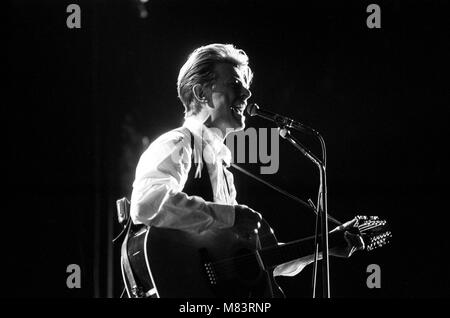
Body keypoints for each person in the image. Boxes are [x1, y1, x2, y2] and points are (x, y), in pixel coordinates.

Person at [129, 43, 363, 289]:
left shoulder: (222, 169)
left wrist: (324, 247)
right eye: (235, 85)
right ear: (201, 93)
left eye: (246, 87)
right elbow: (146, 204)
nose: (248, 95)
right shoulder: (178, 143)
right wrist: (231, 216)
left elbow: (253, 262)